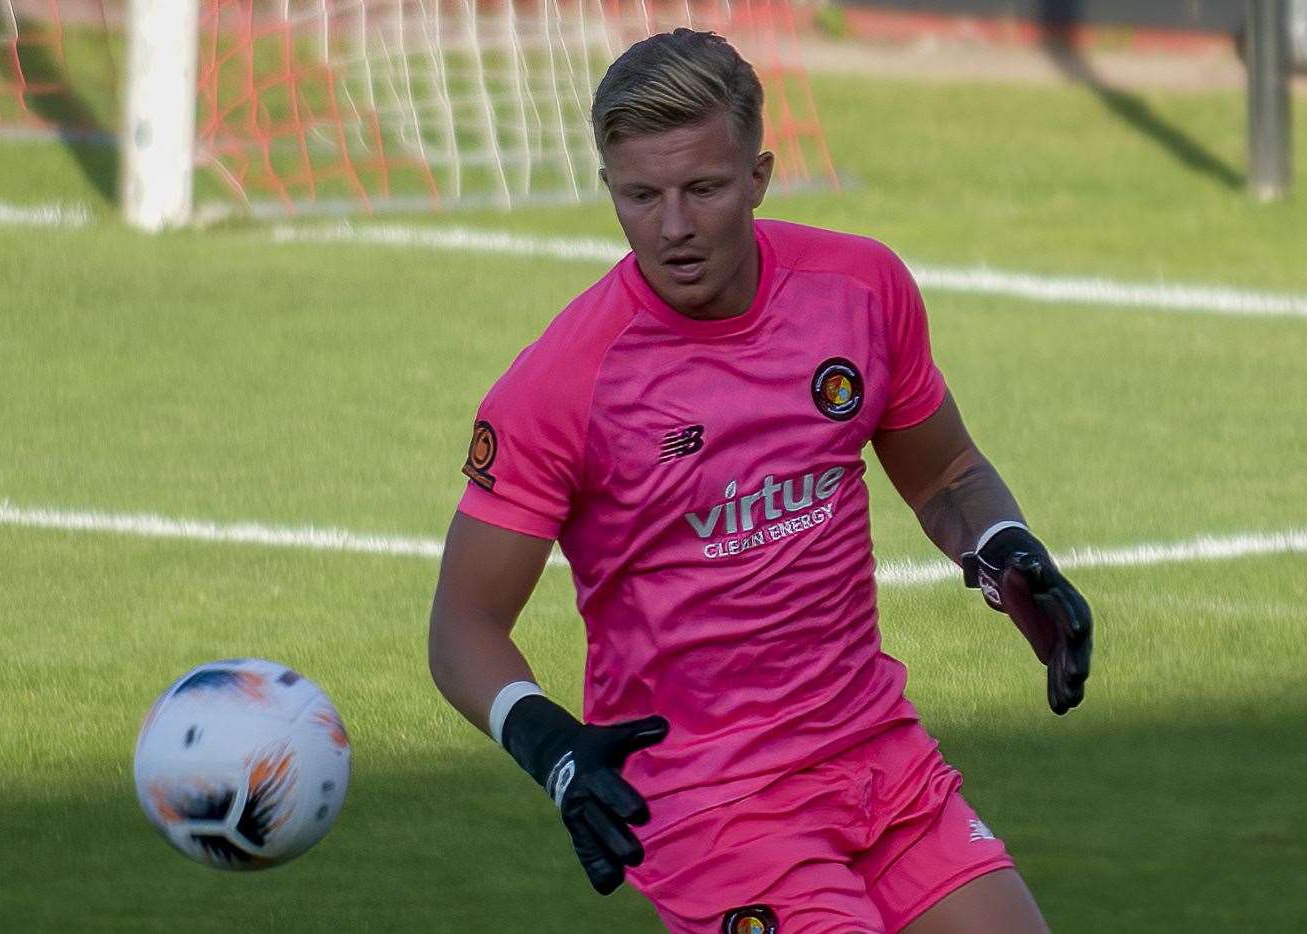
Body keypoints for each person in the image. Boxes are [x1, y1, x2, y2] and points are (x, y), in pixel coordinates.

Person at [428, 28, 1092, 934]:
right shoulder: (562, 385)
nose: (673, 227)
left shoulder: (860, 288)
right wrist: (550, 744)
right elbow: (463, 626)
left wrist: (1002, 547)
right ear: (608, 192)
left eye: (702, 189)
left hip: (876, 755)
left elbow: (946, 473)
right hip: (711, 804)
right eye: (640, 195)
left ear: (759, 177)